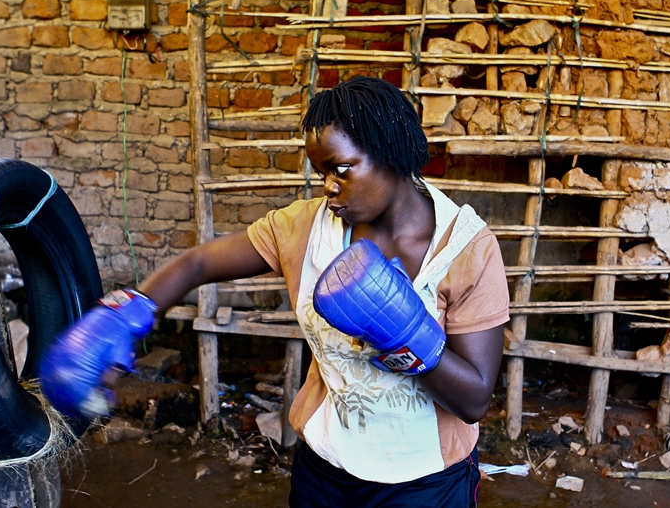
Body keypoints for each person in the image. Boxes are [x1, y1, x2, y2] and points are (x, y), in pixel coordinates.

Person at [39, 76, 510, 507]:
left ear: (390, 152)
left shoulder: (466, 249)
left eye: (342, 169)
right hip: (325, 470)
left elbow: (473, 401)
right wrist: (125, 312)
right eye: (321, 170)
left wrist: (403, 334)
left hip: (424, 483)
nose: (328, 186)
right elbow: (199, 262)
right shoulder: (306, 227)